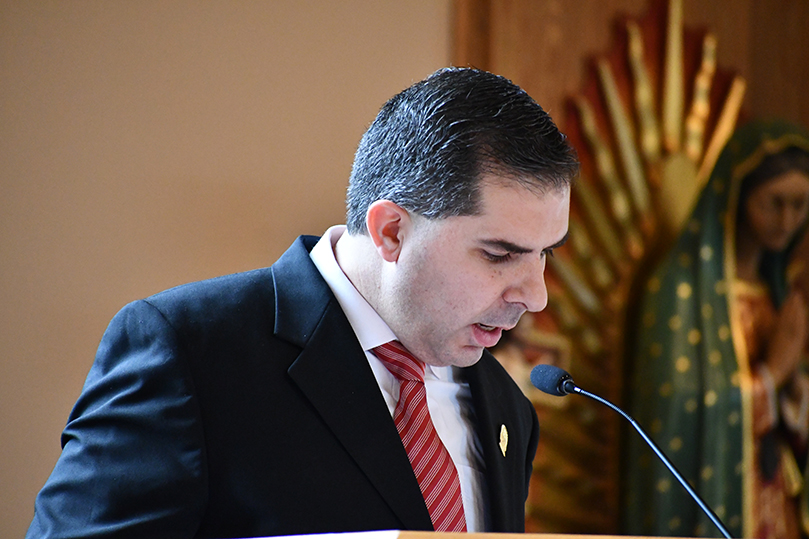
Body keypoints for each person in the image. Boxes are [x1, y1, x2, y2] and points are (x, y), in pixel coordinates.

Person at [26, 67, 579, 539]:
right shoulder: (190, 353)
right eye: (500, 254)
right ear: (391, 232)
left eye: (544, 255)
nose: (535, 295)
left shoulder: (508, 408)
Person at [623, 120, 809, 539]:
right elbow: (674, 414)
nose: (787, 220)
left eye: (800, 205)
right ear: (737, 197)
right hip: (715, 502)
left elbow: (790, 418)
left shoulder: (775, 291)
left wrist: (796, 389)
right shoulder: (679, 290)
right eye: (774, 203)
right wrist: (772, 376)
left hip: (772, 494)